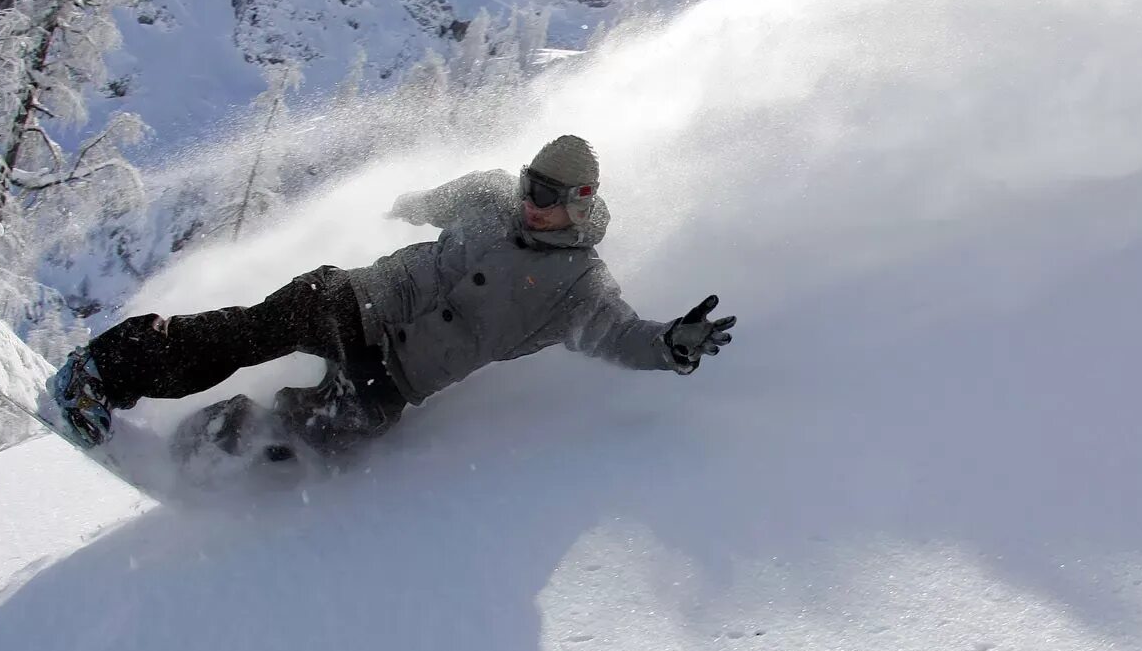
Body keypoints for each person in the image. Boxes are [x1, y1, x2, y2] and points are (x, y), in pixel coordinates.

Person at [48, 135, 736, 455]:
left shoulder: (581, 286)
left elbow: (624, 336)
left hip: (395, 376)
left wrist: (671, 346)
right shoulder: (492, 195)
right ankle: (100, 372)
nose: (530, 201)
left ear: (581, 201)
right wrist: (406, 203)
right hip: (357, 302)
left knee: (332, 431)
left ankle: (221, 436)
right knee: (247, 331)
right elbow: (427, 201)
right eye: (530, 183)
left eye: (548, 195)